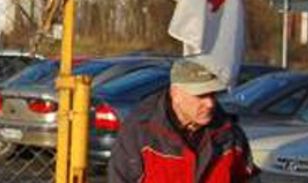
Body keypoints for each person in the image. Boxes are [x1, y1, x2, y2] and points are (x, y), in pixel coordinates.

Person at [108, 58, 257, 182]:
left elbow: (249, 178)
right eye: (201, 95)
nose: (210, 103)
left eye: (212, 94)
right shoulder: (139, 132)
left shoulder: (230, 135)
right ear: (176, 94)